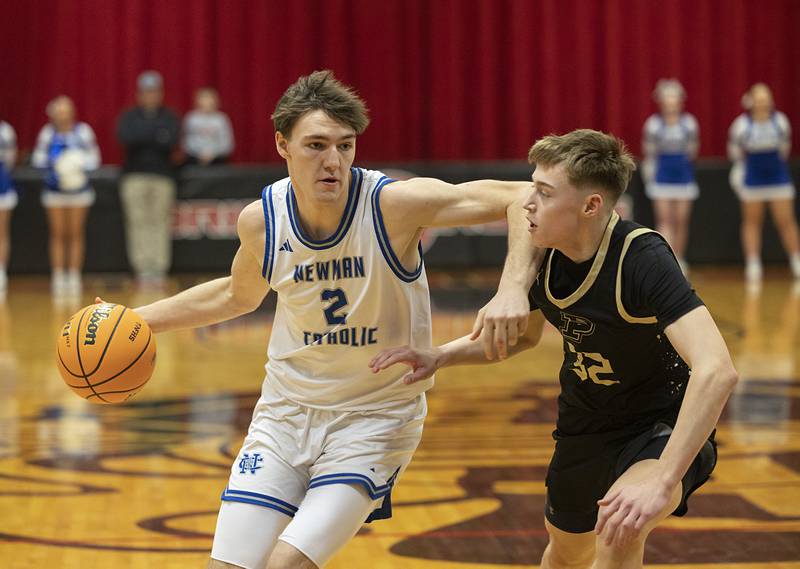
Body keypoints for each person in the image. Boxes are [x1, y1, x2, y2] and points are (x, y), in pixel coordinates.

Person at [111, 70, 531, 569]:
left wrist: (512, 287)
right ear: (282, 145)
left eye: (345, 146)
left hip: (374, 419)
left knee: (284, 565)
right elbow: (234, 294)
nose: (333, 161)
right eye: (315, 145)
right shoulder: (262, 220)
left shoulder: (391, 205)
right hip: (285, 416)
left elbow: (522, 196)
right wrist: (132, 320)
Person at [371, 129, 738, 569]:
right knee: (566, 553)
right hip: (584, 424)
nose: (528, 203)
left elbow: (717, 369)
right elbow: (522, 338)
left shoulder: (641, 257)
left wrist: (663, 477)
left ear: (590, 206)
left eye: (544, 193)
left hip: (659, 425)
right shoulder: (546, 253)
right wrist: (441, 355)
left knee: (620, 526)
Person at [728, 83, 800, 283]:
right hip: (753, 179)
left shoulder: (781, 122)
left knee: (786, 220)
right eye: (758, 99)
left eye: (765, 99)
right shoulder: (741, 126)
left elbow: (784, 149)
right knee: (752, 221)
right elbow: (735, 152)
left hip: (778, 178)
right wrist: (740, 173)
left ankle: (796, 261)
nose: (762, 103)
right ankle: (753, 264)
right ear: (751, 102)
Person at [31, 96, 101, 296]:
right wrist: (57, 164)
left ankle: (74, 275)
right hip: (55, 192)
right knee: (58, 233)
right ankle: (59, 276)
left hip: (79, 191)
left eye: (65, 111)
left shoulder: (83, 132)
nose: (62, 115)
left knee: (76, 232)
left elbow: (94, 158)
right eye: (58, 111)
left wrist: (76, 163)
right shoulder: (47, 133)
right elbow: (38, 159)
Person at [116, 70, 180, 285]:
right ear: (139, 94)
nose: (150, 95)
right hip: (134, 177)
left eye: (154, 91)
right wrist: (155, 135)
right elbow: (127, 138)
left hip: (162, 177)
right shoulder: (129, 117)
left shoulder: (169, 117)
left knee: (159, 221)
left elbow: (171, 140)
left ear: (160, 93)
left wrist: (146, 136)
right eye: (146, 91)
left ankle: (159, 267)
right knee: (137, 221)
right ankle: (142, 267)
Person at [641, 79, 699, 275]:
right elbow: (649, 153)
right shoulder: (653, 125)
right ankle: (668, 260)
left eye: (674, 98)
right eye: (667, 98)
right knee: (665, 220)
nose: (671, 102)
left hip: (683, 176)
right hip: (662, 177)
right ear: (661, 101)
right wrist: (651, 176)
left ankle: (680, 258)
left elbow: (692, 150)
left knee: (681, 220)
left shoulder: (689, 123)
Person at [182, 87, 235, 165]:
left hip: (218, 159)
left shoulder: (221, 119)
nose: (207, 102)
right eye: (204, 98)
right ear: (197, 101)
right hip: (194, 158)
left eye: (210, 98)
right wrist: (200, 153)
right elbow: (186, 141)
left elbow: (227, 143)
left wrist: (213, 154)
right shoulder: (191, 118)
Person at [0, 120, 18, 292]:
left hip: (2, 187)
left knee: (1, 231)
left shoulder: (5, 131)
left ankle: (1, 273)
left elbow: (10, 160)